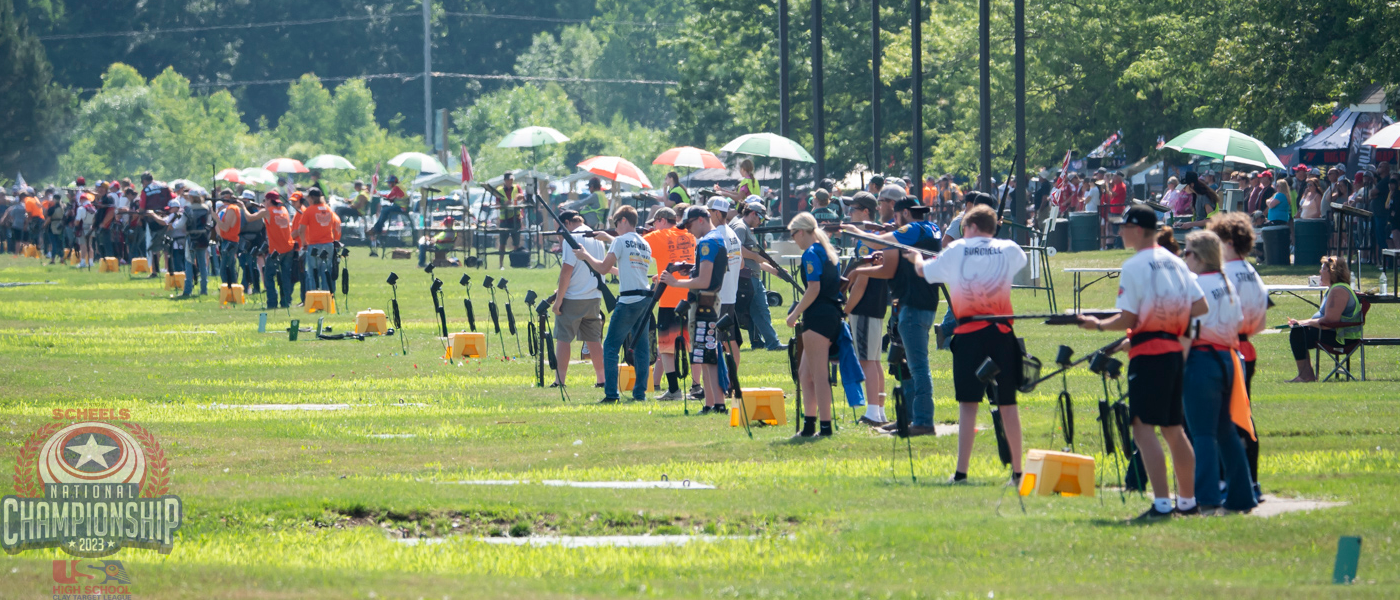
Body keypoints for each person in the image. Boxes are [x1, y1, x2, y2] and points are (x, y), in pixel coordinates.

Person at [1078, 206, 1205, 520]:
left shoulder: (1134, 265)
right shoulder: (1176, 262)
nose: (1120, 232)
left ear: (1137, 229)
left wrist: (1096, 324)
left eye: (1124, 227)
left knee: (1142, 428)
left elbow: (1128, 319)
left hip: (1149, 354)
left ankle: (1162, 504)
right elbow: (1200, 306)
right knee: (1174, 429)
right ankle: (1187, 503)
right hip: (1175, 351)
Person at [905, 204, 1027, 483]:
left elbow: (926, 272)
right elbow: (1019, 259)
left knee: (968, 405)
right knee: (1008, 405)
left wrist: (915, 258)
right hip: (1002, 333)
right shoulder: (1008, 249)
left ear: (969, 227)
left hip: (970, 335)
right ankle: (1018, 472)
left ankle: (961, 473)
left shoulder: (957, 249)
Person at [846, 194, 941, 436]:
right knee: (904, 364)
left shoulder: (912, 229)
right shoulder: (932, 228)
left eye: (897, 216)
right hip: (922, 302)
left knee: (917, 366)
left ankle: (922, 420)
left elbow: (878, 243)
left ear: (905, 214)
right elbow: (891, 264)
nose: (896, 221)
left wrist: (852, 230)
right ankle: (907, 418)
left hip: (913, 303)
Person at [1179, 230, 1257, 514]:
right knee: (1225, 431)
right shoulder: (1227, 283)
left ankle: (1207, 496)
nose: (1183, 256)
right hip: (1229, 359)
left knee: (1202, 434)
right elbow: (1238, 322)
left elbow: (1187, 328)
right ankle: (1242, 495)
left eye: (1186, 252)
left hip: (1202, 360)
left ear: (1199, 257)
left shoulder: (1195, 284)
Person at [1208, 212, 1266, 500]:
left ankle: (1228, 480)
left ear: (1228, 242)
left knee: (1225, 420)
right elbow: (1262, 321)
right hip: (1247, 346)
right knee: (1244, 416)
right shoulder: (1251, 270)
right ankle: (1251, 480)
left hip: (1228, 348)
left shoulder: (1226, 273)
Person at [572, 206, 654, 403]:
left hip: (627, 301)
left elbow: (602, 267)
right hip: (645, 299)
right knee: (642, 349)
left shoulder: (619, 241)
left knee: (610, 347)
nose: (615, 228)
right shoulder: (644, 243)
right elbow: (627, 270)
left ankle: (611, 394)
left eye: (616, 223)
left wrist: (585, 256)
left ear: (624, 220)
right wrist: (609, 240)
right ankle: (639, 394)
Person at [780, 212, 843, 438]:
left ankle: (825, 427)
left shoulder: (810, 253)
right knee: (805, 374)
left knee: (818, 375)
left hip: (818, 317)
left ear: (803, 232)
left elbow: (813, 288)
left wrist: (794, 314)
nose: (793, 238)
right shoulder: (826, 250)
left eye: (794, 234)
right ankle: (809, 425)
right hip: (828, 314)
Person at [661, 206, 729, 414]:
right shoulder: (716, 238)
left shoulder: (707, 242)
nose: (688, 230)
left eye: (689, 225)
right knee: (705, 356)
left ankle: (715, 404)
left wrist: (675, 282)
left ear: (700, 220)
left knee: (707, 356)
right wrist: (690, 267)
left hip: (704, 305)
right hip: (708, 302)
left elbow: (704, 280)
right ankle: (712, 403)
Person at [840, 192, 888, 426]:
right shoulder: (879, 236)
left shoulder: (865, 240)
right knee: (875, 361)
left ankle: (872, 412)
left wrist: (846, 309)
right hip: (877, 305)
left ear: (866, 212)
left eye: (854, 209)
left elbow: (861, 281)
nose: (850, 213)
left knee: (867, 361)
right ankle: (879, 410)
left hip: (865, 305)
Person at [643, 207, 696, 400]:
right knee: (693, 344)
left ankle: (674, 389)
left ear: (662, 221)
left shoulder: (659, 235)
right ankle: (697, 387)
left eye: (655, 223)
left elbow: (631, 243)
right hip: (690, 293)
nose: (653, 228)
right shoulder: (690, 235)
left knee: (666, 347)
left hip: (668, 298)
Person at [551, 210, 607, 389]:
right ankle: (602, 379)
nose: (560, 234)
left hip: (574, 296)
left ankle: (560, 381)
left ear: (567, 223)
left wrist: (558, 301)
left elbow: (566, 271)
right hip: (594, 295)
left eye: (560, 230)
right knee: (594, 341)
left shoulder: (572, 237)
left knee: (563, 338)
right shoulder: (594, 236)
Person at [1286, 255, 1363, 382]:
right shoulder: (1333, 289)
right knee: (1298, 330)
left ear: (1333, 272)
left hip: (1342, 339)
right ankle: (1306, 375)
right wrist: (1300, 323)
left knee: (1298, 332)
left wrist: (1305, 323)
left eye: (1323, 269)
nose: (1320, 272)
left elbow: (1329, 322)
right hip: (1335, 334)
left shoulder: (1338, 290)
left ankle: (1306, 376)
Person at [732, 198, 785, 351]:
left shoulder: (743, 227)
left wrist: (775, 271)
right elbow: (737, 249)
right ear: (753, 213)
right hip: (746, 277)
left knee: (756, 312)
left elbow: (756, 260)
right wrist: (756, 256)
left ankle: (759, 342)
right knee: (761, 310)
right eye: (761, 217)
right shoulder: (740, 227)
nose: (761, 222)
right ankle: (773, 343)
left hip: (749, 276)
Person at [709, 197, 744, 380]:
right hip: (731, 295)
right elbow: (742, 263)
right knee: (730, 341)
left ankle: (719, 381)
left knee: (713, 341)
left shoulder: (716, 235)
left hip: (719, 296)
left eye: (708, 212)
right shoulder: (733, 234)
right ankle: (733, 380)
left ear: (715, 213)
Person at [245, 191, 296, 309]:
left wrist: (243, 207)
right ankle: (286, 302)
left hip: (276, 250)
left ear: (268, 200)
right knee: (285, 276)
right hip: (288, 247)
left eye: (264, 200)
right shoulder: (284, 210)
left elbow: (249, 218)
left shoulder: (267, 211)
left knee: (268, 275)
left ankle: (272, 302)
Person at [292, 189, 340, 292]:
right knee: (326, 272)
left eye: (308, 197)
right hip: (328, 244)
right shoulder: (328, 209)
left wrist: (304, 243)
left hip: (314, 245)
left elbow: (301, 230)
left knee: (312, 273)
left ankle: (314, 298)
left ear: (312, 198)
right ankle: (327, 298)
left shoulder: (309, 210)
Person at [368, 175, 407, 255]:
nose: (388, 184)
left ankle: (377, 228)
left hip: (401, 207)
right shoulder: (399, 186)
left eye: (389, 182)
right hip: (400, 206)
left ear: (393, 182)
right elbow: (392, 198)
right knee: (385, 210)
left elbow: (390, 197)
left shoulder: (396, 187)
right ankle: (378, 227)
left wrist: (379, 194)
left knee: (385, 210)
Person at [181, 194, 212, 297]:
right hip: (203, 237)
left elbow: (181, 224)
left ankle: (188, 289)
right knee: (202, 264)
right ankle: (204, 289)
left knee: (189, 263)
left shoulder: (188, 209)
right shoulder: (206, 208)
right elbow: (209, 223)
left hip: (191, 237)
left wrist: (173, 225)